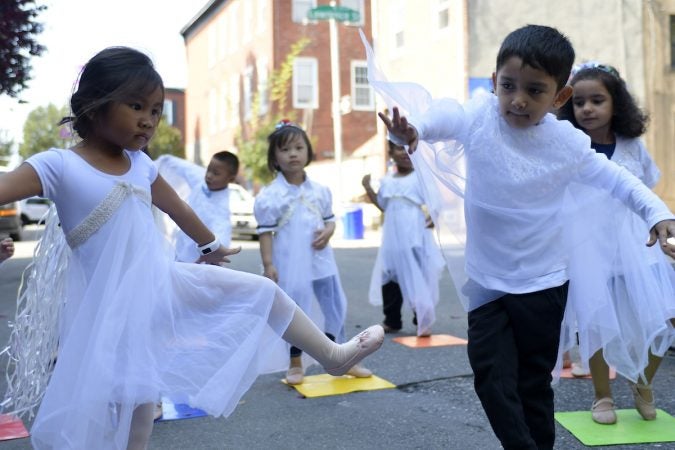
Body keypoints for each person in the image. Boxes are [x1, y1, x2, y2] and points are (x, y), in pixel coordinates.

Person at [0, 46, 383, 450]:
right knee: (136, 402)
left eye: (156, 110)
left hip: (162, 283)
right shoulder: (59, 165)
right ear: (93, 105)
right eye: (136, 106)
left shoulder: (141, 165)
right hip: (108, 309)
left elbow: (177, 206)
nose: (148, 120)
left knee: (263, 291)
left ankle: (332, 354)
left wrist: (211, 245)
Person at [367, 25, 675, 450]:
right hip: (489, 283)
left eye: (535, 90)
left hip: (545, 283)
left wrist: (657, 213)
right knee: (491, 378)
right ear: (494, 82)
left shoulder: (565, 142)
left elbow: (618, 180)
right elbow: (445, 114)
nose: (518, 100)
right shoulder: (479, 118)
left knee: (534, 383)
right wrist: (414, 129)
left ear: (559, 97)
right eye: (508, 86)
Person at [558, 62, 675, 424]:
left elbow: (647, 192)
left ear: (616, 104)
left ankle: (642, 383)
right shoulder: (568, 147)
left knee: (667, 317)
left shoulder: (633, 148)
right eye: (579, 103)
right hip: (592, 252)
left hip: (639, 249)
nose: (587, 109)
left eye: (597, 100)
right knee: (595, 324)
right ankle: (602, 397)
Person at [254, 120, 372, 385]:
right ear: (274, 157)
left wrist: (329, 230)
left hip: (321, 261)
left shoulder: (320, 191)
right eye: (285, 150)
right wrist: (268, 264)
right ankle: (295, 362)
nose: (293, 154)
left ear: (308, 151)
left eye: (298, 147)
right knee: (295, 312)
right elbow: (265, 233)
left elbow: (330, 219)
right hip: (289, 264)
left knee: (334, 307)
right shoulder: (270, 196)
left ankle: (343, 357)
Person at [361, 140, 444, 336]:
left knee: (416, 274)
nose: (405, 152)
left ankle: (422, 319)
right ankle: (392, 320)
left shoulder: (421, 177)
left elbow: (436, 200)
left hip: (413, 232)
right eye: (399, 148)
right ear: (390, 152)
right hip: (392, 236)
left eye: (409, 148)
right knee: (390, 276)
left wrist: (434, 217)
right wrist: (368, 189)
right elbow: (384, 205)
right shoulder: (388, 180)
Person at [174, 150, 239, 262]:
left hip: (199, 257)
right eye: (208, 170)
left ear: (231, 179)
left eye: (216, 173)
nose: (209, 175)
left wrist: (217, 251)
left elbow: (222, 229)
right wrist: (163, 161)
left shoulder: (222, 206)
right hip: (180, 246)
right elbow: (180, 166)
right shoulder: (199, 179)